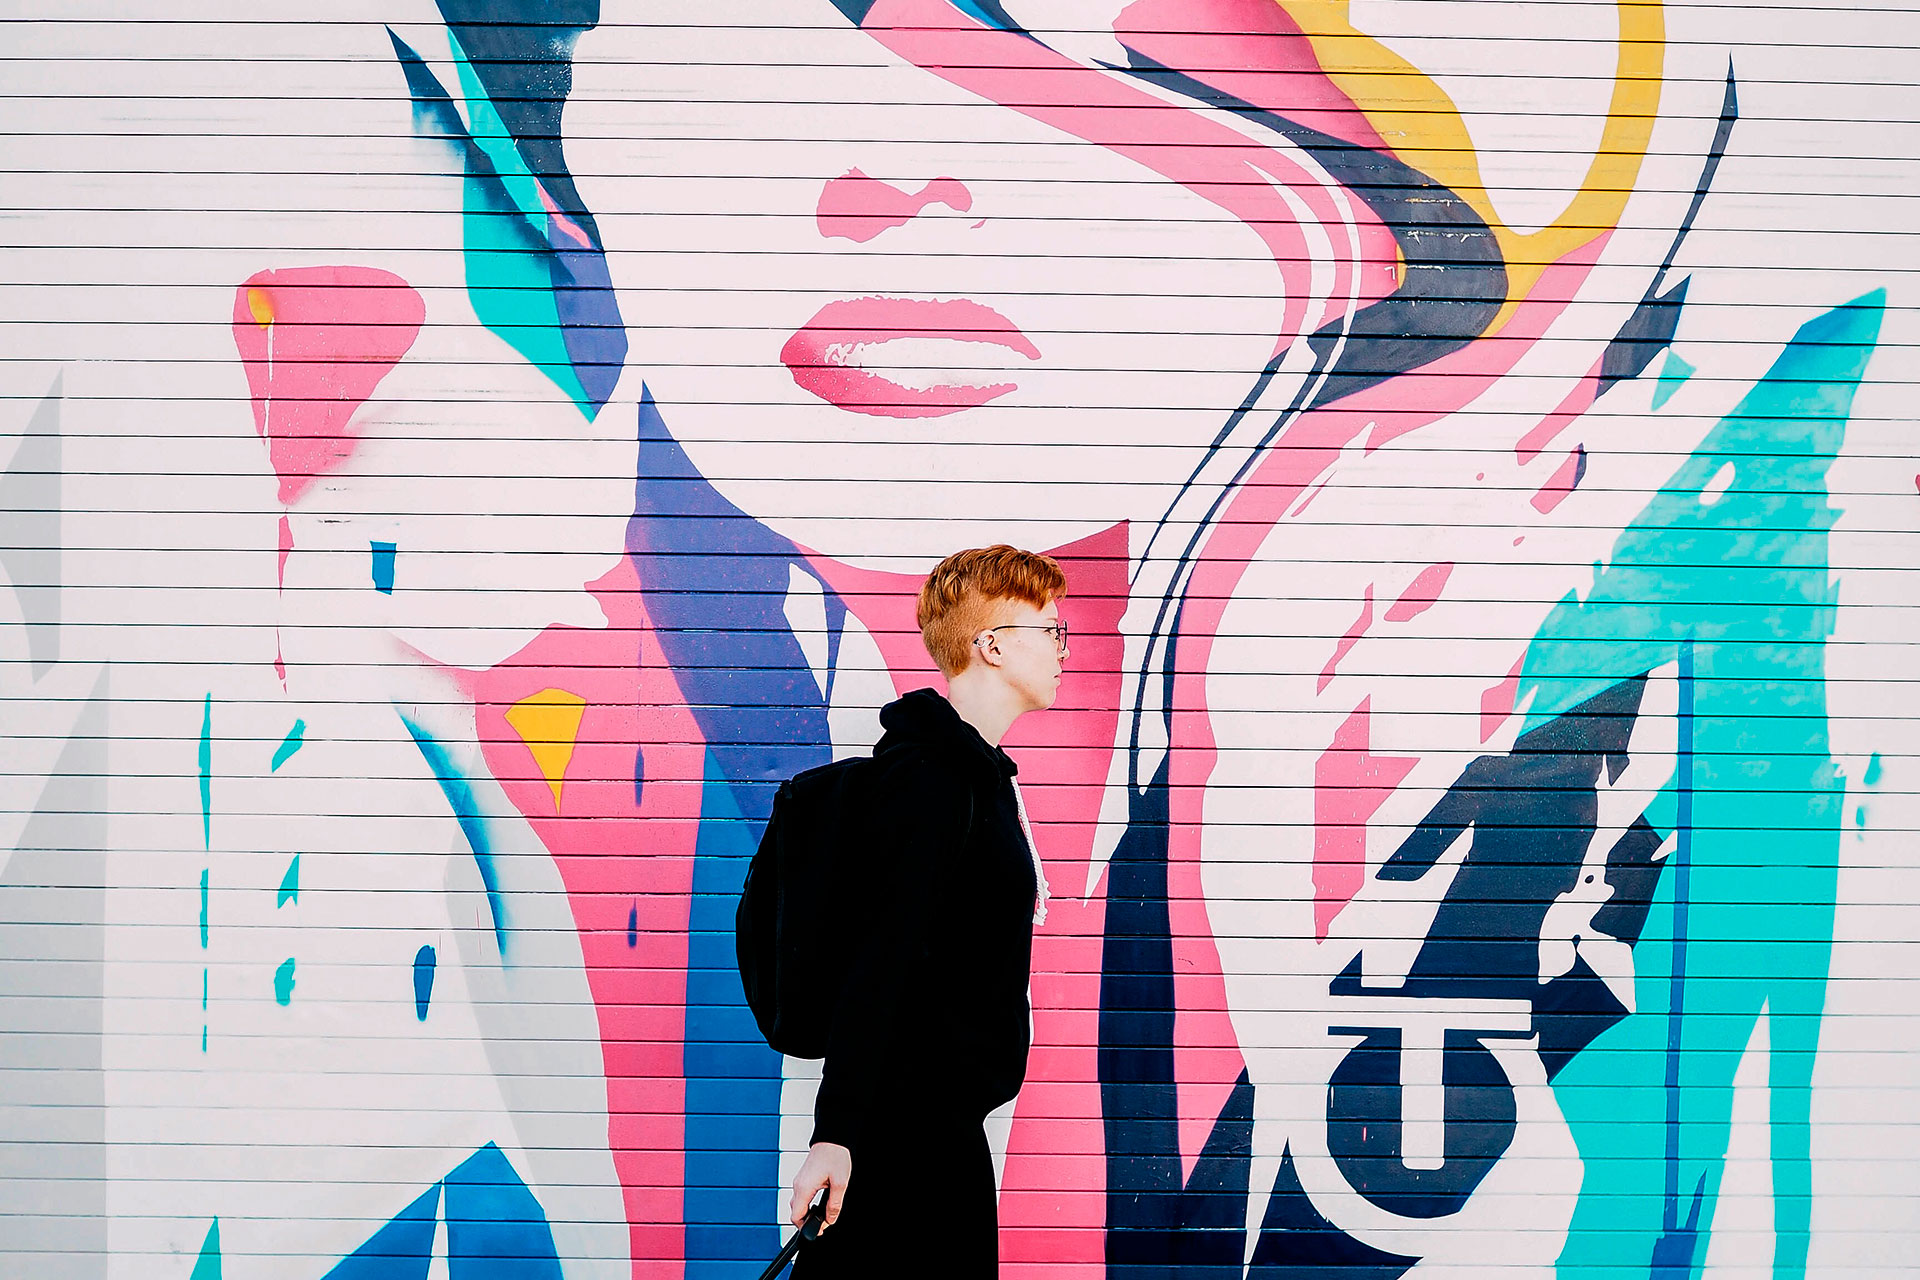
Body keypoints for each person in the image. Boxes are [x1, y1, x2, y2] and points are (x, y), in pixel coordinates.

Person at [784, 544, 1069, 1277]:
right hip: (902, 1142)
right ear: (993, 644)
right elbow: (880, 958)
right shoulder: (933, 785)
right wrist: (837, 1133)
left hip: (936, 1132)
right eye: (1051, 629)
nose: (1063, 648)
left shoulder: (976, 779)